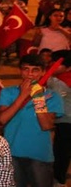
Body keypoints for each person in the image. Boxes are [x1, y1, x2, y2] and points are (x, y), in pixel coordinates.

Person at [0, 54, 64, 187]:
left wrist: (38, 98)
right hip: (12, 153)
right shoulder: (8, 92)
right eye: (26, 69)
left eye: (35, 70)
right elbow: (3, 119)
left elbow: (46, 125)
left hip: (40, 154)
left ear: (43, 72)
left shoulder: (53, 96)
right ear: (20, 71)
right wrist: (23, 96)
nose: (30, 74)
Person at [47, 50, 71, 186]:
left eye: (56, 64)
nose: (52, 66)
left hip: (65, 121)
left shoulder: (58, 81)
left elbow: (53, 102)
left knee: (60, 152)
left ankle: (58, 181)